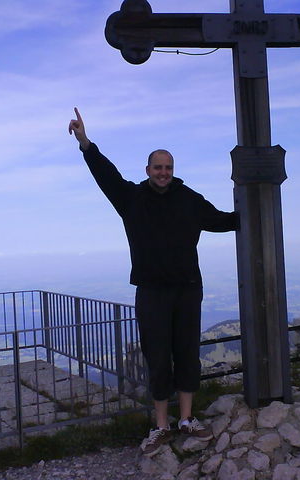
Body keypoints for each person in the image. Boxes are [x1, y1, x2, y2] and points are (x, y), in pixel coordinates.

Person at [68, 107, 238, 456]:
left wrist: (256, 201)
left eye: (168, 168)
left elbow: (223, 221)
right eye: (158, 167)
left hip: (188, 289)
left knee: (187, 354)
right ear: (148, 170)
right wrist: (86, 143)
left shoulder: (190, 200)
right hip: (151, 291)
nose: (163, 173)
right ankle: (161, 426)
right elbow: (106, 175)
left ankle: (187, 419)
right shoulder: (132, 199)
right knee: (158, 358)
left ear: (173, 171)